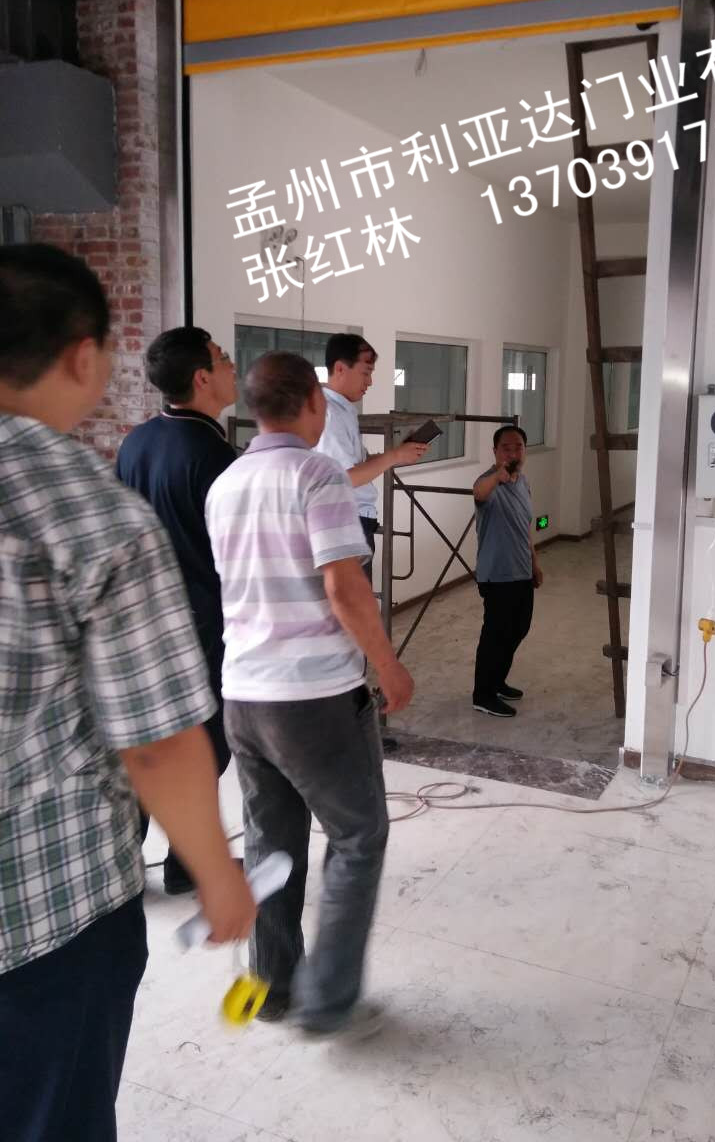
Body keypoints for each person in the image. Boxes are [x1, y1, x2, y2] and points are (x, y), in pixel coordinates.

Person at [0, 244, 255, 1142]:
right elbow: (155, 741)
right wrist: (217, 874)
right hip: (44, 913)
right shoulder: (83, 507)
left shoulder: (134, 448)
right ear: (82, 356)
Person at [206, 351, 414, 1038]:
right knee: (358, 836)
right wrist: (388, 665)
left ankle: (272, 987)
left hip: (244, 695)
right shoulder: (317, 474)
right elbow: (343, 587)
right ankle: (326, 999)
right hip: (315, 697)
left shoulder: (226, 483)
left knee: (272, 845)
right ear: (314, 403)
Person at [116, 327, 238, 894]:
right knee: (207, 745)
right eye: (223, 358)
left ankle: (124, 866)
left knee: (152, 743)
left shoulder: (136, 442)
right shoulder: (214, 456)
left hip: (143, 623)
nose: (232, 365)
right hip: (201, 626)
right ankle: (188, 864)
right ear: (202, 378)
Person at [316, 333, 428, 570]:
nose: (370, 382)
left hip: (352, 521)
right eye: (366, 373)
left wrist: (401, 453)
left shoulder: (343, 409)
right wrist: (394, 456)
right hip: (344, 523)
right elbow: (347, 478)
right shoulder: (330, 413)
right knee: (353, 594)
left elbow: (360, 463)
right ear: (340, 368)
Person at [471, 424, 544, 718]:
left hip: (521, 570)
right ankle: (483, 694)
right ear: (495, 452)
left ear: (525, 451)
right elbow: (478, 492)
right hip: (497, 574)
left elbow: (526, 526)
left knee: (519, 628)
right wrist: (496, 477)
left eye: (518, 447)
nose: (513, 453)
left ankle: (497, 681)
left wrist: (534, 562)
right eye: (506, 448)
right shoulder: (488, 483)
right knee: (495, 634)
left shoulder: (523, 482)